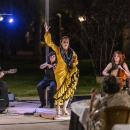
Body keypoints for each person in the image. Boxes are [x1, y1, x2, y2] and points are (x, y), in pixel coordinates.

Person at [44, 22, 79, 116]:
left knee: (68, 89)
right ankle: (58, 109)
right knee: (60, 90)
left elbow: (76, 59)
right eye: (64, 42)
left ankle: (64, 108)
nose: (66, 43)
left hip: (68, 71)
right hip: (59, 73)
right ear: (61, 43)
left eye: (67, 42)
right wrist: (47, 32)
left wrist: (73, 64)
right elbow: (49, 43)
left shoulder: (71, 52)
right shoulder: (58, 50)